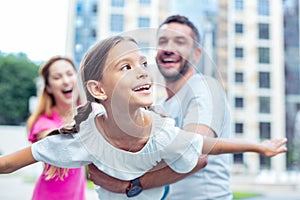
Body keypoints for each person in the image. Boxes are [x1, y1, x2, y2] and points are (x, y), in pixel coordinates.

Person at [0, 36, 287, 200]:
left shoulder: (163, 134)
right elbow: (9, 164)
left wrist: (259, 147)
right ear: (99, 89)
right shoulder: (83, 140)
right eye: (125, 66)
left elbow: (208, 145)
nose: (142, 71)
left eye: (143, 64)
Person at [89, 15, 234, 199]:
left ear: (196, 54)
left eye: (180, 42)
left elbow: (196, 153)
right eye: (163, 41)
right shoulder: (162, 107)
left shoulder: (204, 87)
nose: (168, 49)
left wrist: (130, 185)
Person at [26, 56, 86, 200]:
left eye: (70, 74)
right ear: (48, 87)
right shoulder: (43, 121)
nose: (66, 81)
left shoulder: (85, 113)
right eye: (57, 77)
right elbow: (49, 136)